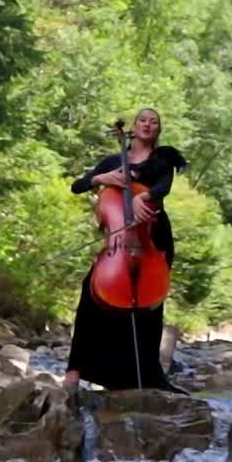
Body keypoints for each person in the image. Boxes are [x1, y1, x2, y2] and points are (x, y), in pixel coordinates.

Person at [63, 108, 187, 393]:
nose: (148, 124)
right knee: (91, 293)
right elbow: (77, 186)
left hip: (152, 236)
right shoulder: (112, 163)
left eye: (154, 121)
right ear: (133, 127)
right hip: (118, 242)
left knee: (148, 305)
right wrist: (102, 179)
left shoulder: (163, 157)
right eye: (143, 119)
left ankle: (145, 376)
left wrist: (145, 196)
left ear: (158, 130)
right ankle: (75, 370)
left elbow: (163, 186)